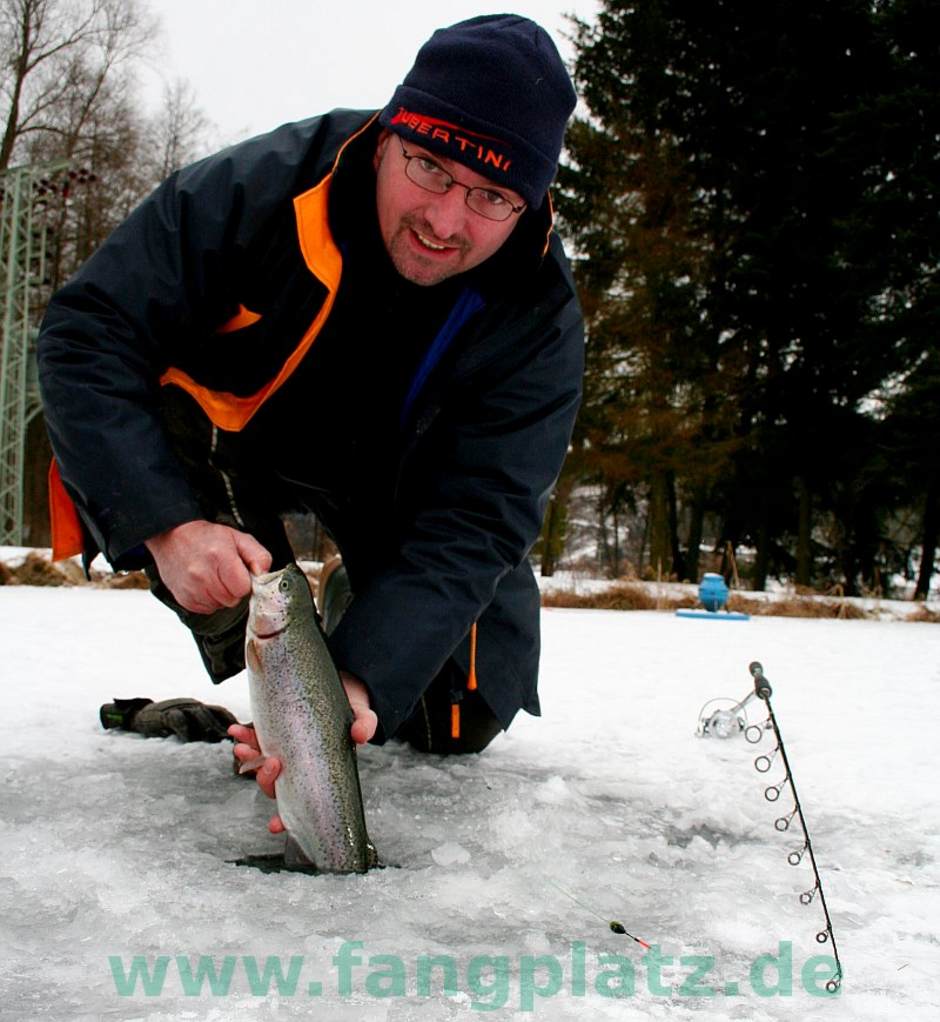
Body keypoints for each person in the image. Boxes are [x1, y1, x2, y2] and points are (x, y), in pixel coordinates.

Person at [38, 14, 584, 795]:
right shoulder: (260, 189)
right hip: (234, 450)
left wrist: (357, 682)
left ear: (529, 204)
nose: (444, 220)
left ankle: (350, 617)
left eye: (492, 196)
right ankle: (259, 634)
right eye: (428, 166)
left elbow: (483, 514)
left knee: (451, 721)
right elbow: (87, 332)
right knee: (156, 441)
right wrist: (167, 524)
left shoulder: (540, 316)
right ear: (389, 135)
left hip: (400, 491)